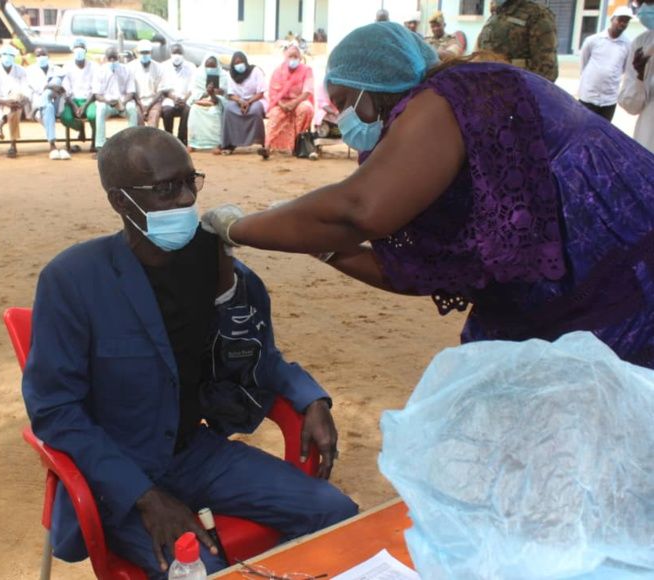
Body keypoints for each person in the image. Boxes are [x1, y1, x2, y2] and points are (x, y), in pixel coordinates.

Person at [202, 22, 654, 369]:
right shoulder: (417, 142)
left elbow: (358, 210)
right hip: (562, 295)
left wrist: (237, 227)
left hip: (624, 273)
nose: (341, 117)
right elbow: (416, 270)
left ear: (373, 89)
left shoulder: (450, 95)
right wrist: (321, 248)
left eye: (343, 101)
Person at [22, 125, 358, 577]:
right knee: (199, 569)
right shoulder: (72, 280)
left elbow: (252, 347)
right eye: (166, 188)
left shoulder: (210, 260)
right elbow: (55, 409)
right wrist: (143, 495)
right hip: (118, 474)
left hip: (195, 453)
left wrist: (308, 395)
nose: (185, 200)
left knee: (335, 512)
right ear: (121, 201)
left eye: (189, 181)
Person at [477, 0, 558, 81]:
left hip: (516, 88)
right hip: (489, 87)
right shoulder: (495, 15)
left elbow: (547, 70)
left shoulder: (537, 14)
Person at [577, 7, 633, 122]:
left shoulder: (628, 45)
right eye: (620, 19)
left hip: (609, 100)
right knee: (582, 130)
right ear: (612, 19)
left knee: (603, 134)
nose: (623, 23)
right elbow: (584, 64)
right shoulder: (593, 40)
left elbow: (624, 69)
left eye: (626, 21)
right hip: (588, 97)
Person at [263, 44, 314, 159]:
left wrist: (294, 103)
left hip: (299, 101)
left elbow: (307, 92)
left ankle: (298, 146)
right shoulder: (278, 71)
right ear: (285, 58)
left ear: (300, 58)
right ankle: (267, 147)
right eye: (290, 56)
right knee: (276, 115)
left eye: (295, 56)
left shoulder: (306, 70)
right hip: (281, 103)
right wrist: (283, 105)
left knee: (306, 108)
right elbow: (273, 92)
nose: (293, 59)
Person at [618, 0, 653, 152]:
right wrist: (640, 77)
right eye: (640, 3)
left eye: (650, 1)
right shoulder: (642, 44)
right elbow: (631, 107)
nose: (645, 7)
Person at [26, 47, 69, 159]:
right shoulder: (30, 71)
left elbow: (63, 88)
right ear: (35, 57)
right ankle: (52, 145)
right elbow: (38, 89)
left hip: (57, 102)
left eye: (43, 54)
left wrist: (52, 86)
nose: (41, 57)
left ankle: (37, 107)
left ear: (47, 55)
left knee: (56, 80)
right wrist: (50, 87)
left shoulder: (56, 69)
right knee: (48, 107)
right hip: (40, 104)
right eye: (38, 55)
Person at [92, 46, 137, 152]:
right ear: (106, 58)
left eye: (114, 58)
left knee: (132, 109)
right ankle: (100, 146)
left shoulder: (127, 70)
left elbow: (131, 92)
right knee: (100, 110)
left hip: (123, 103)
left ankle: (131, 143)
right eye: (110, 58)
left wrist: (122, 102)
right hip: (106, 103)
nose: (112, 61)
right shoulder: (100, 71)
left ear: (118, 58)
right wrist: (107, 101)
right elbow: (97, 94)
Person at [220, 51, 266, 155]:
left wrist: (248, 102)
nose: (238, 65)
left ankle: (259, 142)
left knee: (255, 110)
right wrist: (240, 101)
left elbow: (261, 92)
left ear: (245, 61)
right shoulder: (230, 74)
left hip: (255, 99)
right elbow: (230, 94)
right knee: (228, 109)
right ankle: (229, 144)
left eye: (240, 62)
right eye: (236, 63)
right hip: (238, 101)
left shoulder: (256, 71)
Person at [0, 44, 28, 159]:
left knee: (16, 98)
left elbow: (25, 89)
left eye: (10, 55)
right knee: (14, 110)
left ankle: (0, 124)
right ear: (0, 56)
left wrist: (19, 100)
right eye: (4, 55)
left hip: (17, 101)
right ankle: (13, 145)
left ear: (14, 56)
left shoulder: (20, 70)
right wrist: (4, 102)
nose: (7, 57)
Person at [59, 37, 97, 151]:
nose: (79, 50)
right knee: (65, 117)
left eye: (82, 48)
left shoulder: (94, 66)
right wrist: (74, 106)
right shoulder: (67, 67)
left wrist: (84, 105)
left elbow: (95, 89)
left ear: (86, 50)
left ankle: (95, 142)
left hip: (90, 100)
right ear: (72, 50)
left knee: (94, 115)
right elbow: (65, 89)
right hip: (72, 101)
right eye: (77, 48)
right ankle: (80, 127)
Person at [185, 53, 227, 151]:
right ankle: (193, 143)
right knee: (194, 110)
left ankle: (216, 144)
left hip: (216, 102)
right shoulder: (198, 74)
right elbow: (194, 92)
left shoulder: (223, 75)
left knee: (214, 111)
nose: (210, 69)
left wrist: (214, 93)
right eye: (208, 67)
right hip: (200, 100)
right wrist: (206, 93)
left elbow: (224, 94)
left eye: (213, 67)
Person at [159, 43, 195, 145]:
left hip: (185, 98)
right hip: (169, 98)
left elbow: (192, 87)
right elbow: (163, 88)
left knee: (187, 110)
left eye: (179, 53)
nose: (177, 55)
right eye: (174, 53)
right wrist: (174, 98)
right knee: (167, 111)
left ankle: (181, 140)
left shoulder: (191, 67)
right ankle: (169, 139)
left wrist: (184, 100)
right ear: (170, 54)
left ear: (183, 54)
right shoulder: (163, 66)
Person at [128, 38, 163, 128]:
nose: (144, 55)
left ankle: (152, 142)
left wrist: (149, 106)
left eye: (147, 52)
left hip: (154, 101)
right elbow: (131, 90)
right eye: (142, 52)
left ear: (151, 53)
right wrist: (141, 105)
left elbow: (160, 91)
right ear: (137, 53)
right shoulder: (131, 67)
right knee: (138, 119)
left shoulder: (158, 67)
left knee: (153, 121)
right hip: (137, 101)